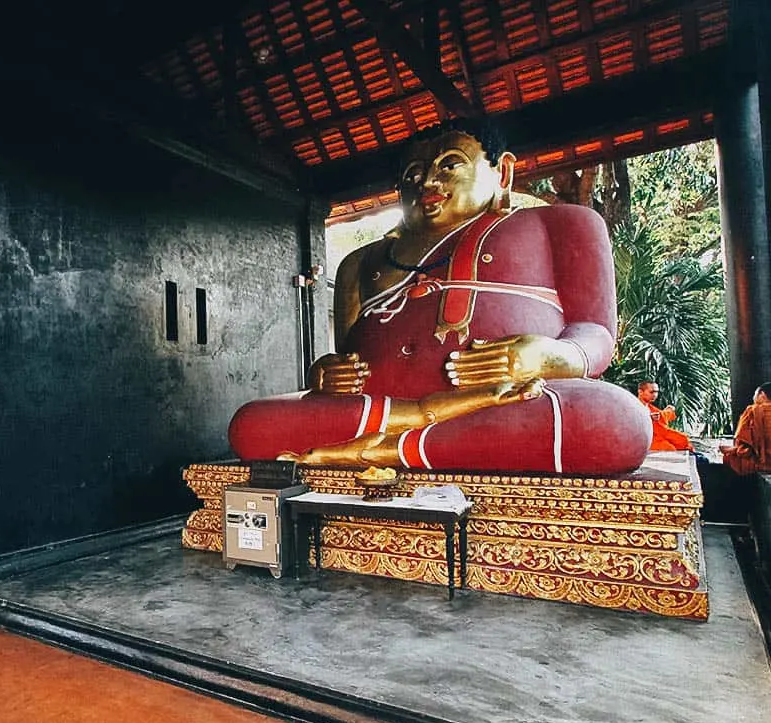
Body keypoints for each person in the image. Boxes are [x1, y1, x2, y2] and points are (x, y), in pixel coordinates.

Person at [227, 119, 652, 475]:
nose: (428, 181)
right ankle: (421, 431)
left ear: (502, 173)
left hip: (505, 402)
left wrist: (547, 356)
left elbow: (596, 333)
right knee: (250, 424)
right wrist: (325, 376)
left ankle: (384, 451)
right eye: (412, 174)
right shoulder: (360, 263)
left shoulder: (559, 223)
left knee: (617, 421)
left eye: (450, 166)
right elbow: (347, 361)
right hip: (398, 409)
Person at [721, 383, 771, 475]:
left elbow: (744, 450)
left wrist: (732, 450)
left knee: (729, 458)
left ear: (762, 395)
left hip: (765, 463)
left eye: (755, 395)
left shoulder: (752, 411)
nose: (754, 399)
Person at [636, 380, 693, 451]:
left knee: (682, 440)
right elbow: (629, 423)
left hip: (657, 437)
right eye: (652, 392)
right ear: (640, 392)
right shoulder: (634, 406)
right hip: (643, 439)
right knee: (669, 448)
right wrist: (648, 419)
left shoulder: (651, 408)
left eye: (656, 392)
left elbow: (662, 416)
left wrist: (668, 411)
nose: (655, 395)